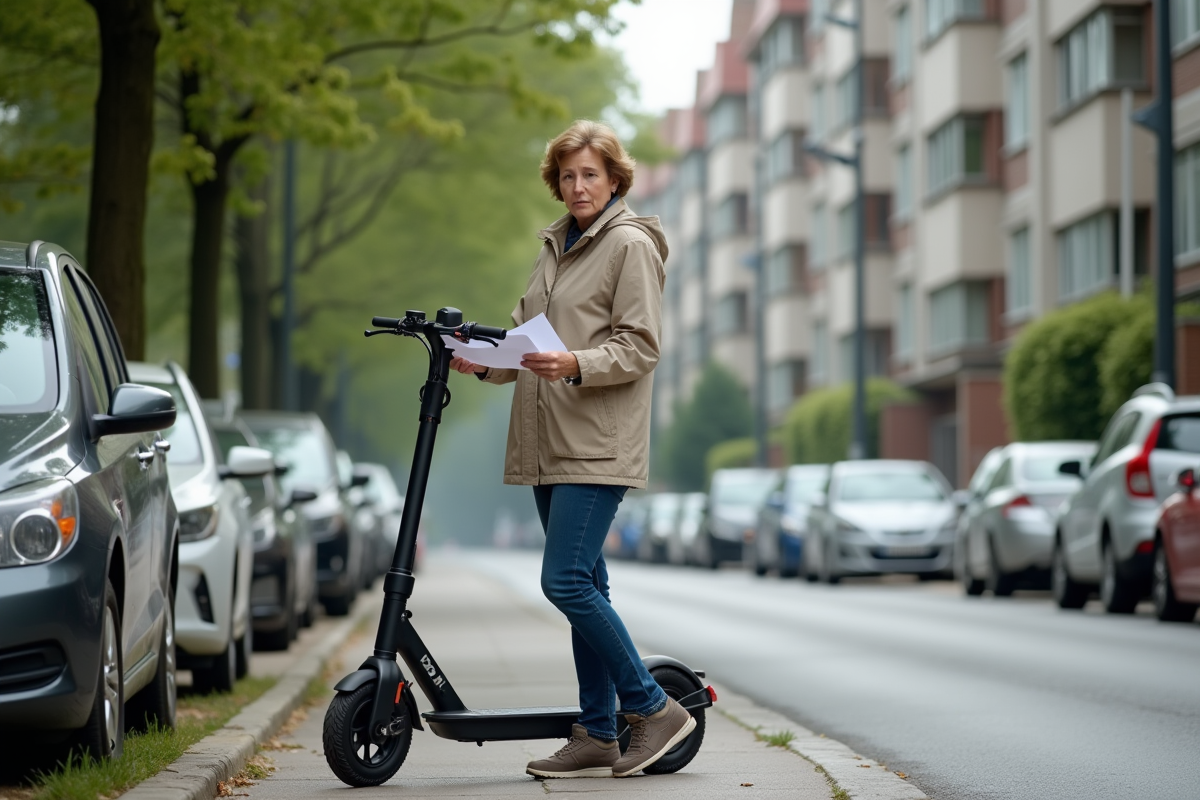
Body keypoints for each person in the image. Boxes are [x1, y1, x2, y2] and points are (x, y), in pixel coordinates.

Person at [449, 119, 693, 779]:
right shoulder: (557, 246)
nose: (578, 186)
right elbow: (535, 345)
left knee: (562, 581)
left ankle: (652, 707)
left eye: (590, 174)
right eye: (568, 175)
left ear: (615, 178)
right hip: (548, 440)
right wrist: (486, 362)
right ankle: (596, 732)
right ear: (556, 183)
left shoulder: (630, 246)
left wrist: (577, 363)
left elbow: (640, 345)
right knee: (586, 583)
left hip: (595, 441)